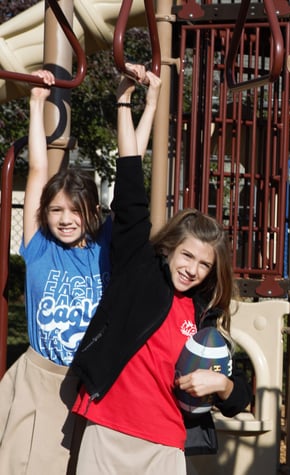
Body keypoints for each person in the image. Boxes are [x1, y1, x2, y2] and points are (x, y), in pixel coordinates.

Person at [70, 64, 251, 473]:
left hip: (166, 444)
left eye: (205, 265)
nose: (193, 270)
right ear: (170, 248)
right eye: (188, 256)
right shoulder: (138, 264)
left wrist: (221, 385)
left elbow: (239, 395)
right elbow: (131, 183)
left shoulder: (204, 310)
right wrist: (128, 100)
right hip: (109, 428)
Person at [0, 70, 111, 474]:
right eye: (55, 210)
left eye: (75, 210)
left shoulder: (103, 252)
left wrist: (136, 107)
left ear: (93, 212)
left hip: (87, 380)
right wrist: (35, 104)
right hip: (41, 374)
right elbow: (36, 173)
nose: (65, 219)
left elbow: (133, 194)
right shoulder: (41, 248)